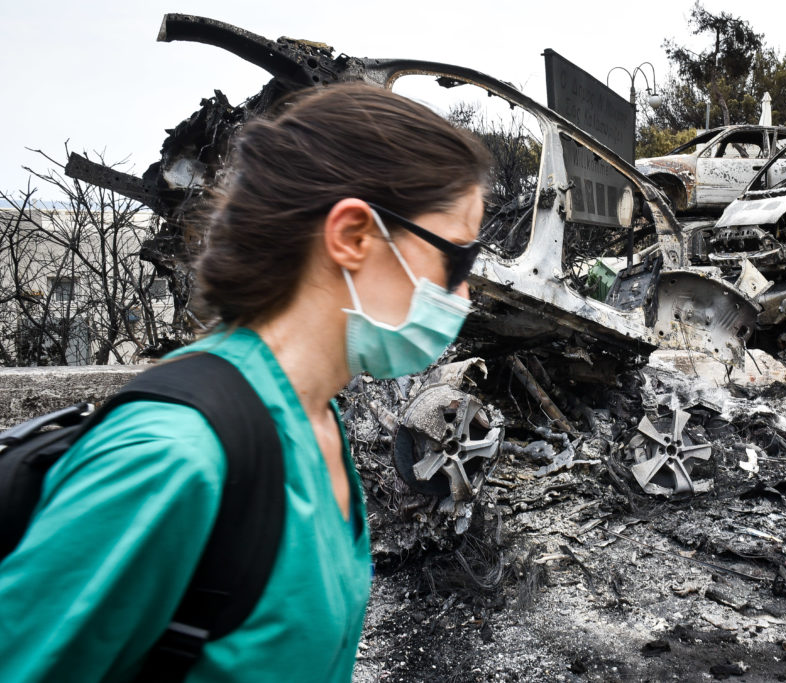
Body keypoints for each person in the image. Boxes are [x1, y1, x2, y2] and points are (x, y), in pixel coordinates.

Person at [0, 82, 492, 681]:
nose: (465, 293)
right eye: (457, 259)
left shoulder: (318, 424)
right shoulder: (173, 458)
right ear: (354, 236)